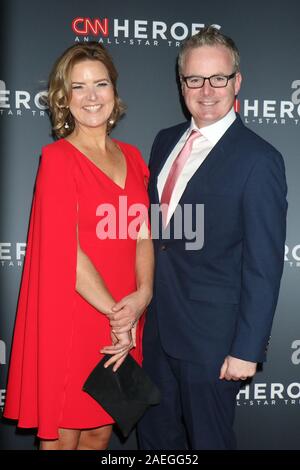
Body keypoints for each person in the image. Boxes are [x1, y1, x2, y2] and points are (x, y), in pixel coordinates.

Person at [134, 26, 287, 449]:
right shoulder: (165, 141)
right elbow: (156, 235)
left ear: (237, 81)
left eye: (218, 78)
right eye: (194, 79)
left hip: (214, 344)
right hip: (156, 332)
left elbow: (264, 264)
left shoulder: (259, 160)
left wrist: (247, 349)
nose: (206, 90)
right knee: (156, 442)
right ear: (181, 83)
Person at [3, 42, 154, 450]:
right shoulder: (57, 159)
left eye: (100, 84)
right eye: (78, 87)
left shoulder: (135, 157)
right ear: (63, 99)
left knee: (100, 430)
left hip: (126, 311)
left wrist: (142, 296)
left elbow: (143, 233)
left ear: (114, 91)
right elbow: (64, 252)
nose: (91, 96)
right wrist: (116, 316)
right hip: (77, 315)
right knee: (62, 436)